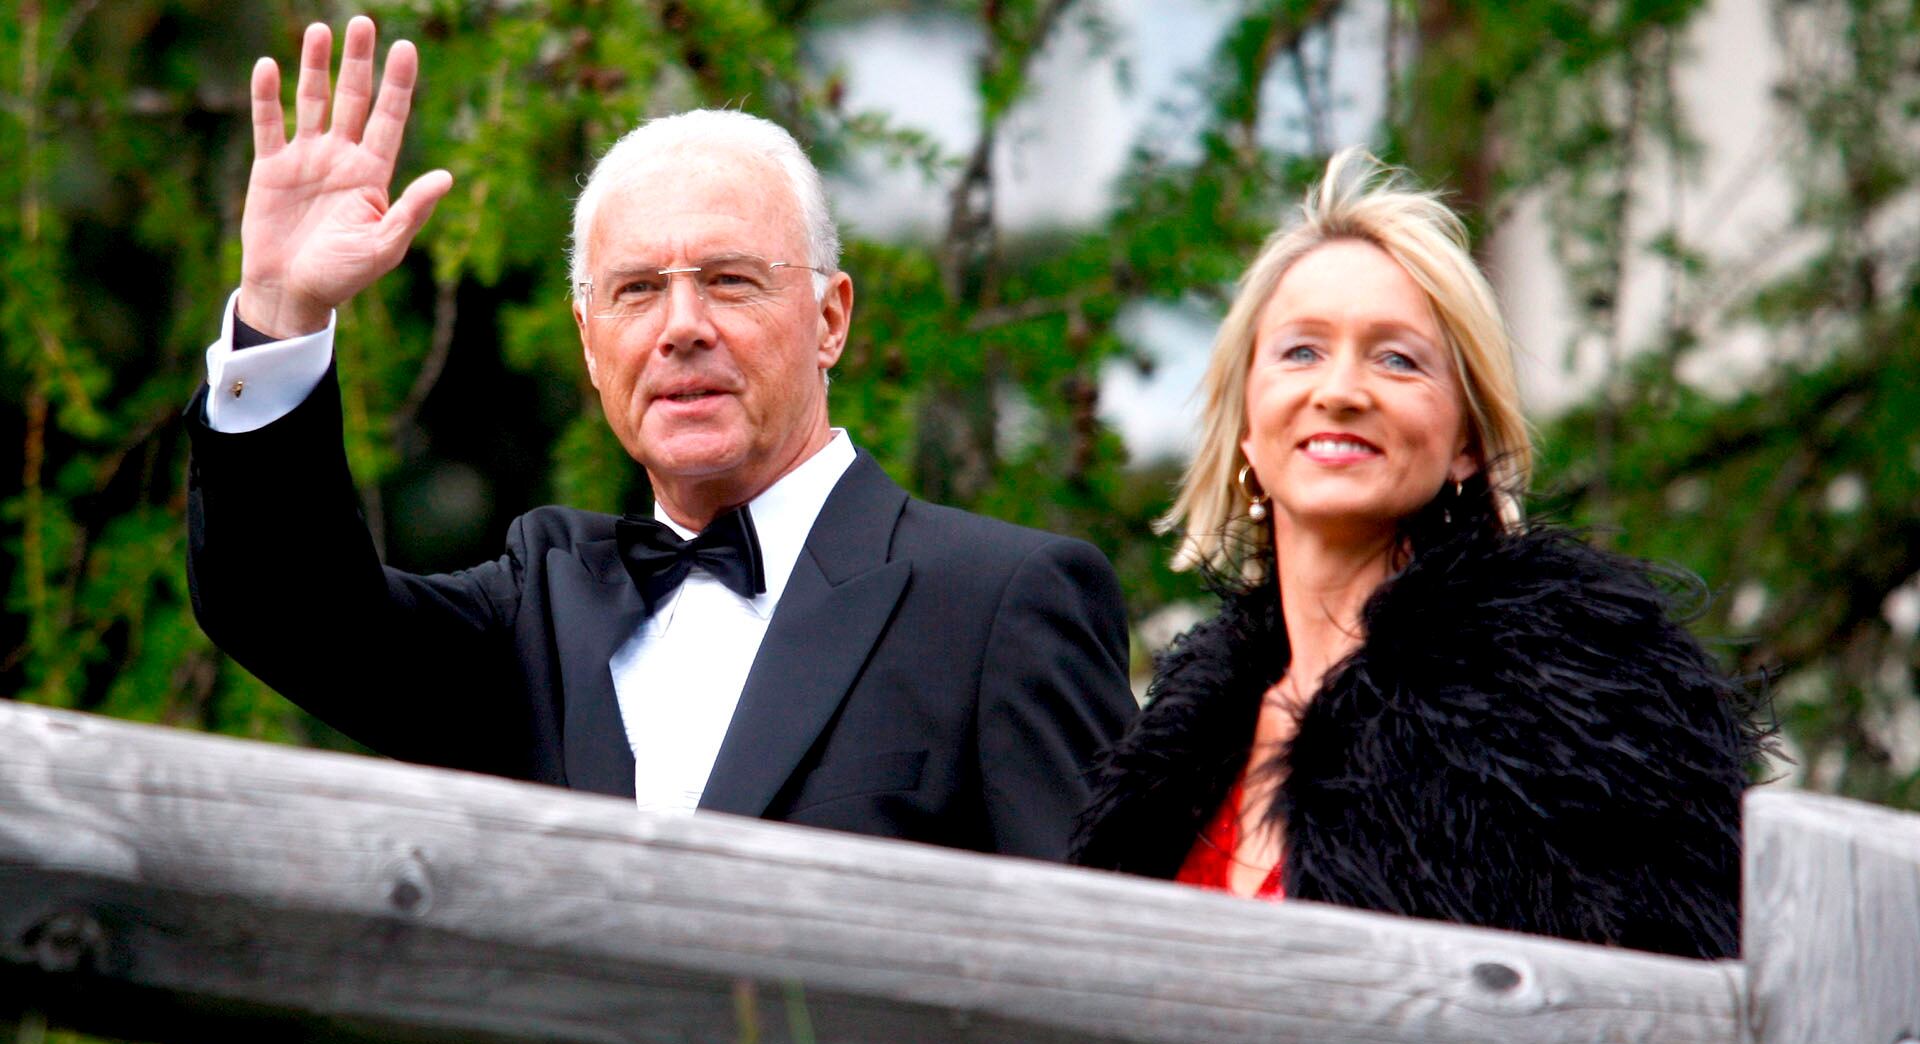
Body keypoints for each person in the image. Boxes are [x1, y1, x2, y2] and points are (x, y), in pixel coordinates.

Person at [185, 17, 1135, 860]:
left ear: (830, 318)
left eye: (729, 279)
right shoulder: (539, 603)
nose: (681, 325)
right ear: (591, 346)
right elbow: (288, 607)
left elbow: (1110, 968)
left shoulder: (1000, 603)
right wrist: (281, 309)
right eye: (637, 290)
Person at [1072, 149, 1767, 958]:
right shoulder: (1175, 749)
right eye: (1301, 351)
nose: (1339, 389)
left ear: (1468, 442)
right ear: (1247, 430)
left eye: (1396, 358)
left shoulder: (1570, 705)